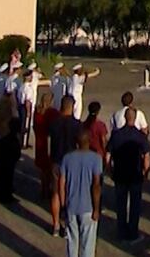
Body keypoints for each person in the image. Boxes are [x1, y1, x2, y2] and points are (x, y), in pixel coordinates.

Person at [106, 107, 150, 244]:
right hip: (135, 174)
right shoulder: (140, 136)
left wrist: (109, 171)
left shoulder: (116, 135)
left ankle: (121, 232)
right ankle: (132, 233)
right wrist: (146, 172)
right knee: (135, 205)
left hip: (120, 173)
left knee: (120, 204)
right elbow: (147, 157)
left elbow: (107, 156)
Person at [60, 128, 103, 257]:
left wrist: (63, 206)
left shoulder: (67, 158)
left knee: (72, 243)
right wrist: (96, 209)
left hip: (71, 206)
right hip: (88, 207)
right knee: (88, 246)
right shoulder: (96, 159)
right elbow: (96, 186)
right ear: (89, 142)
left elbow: (61, 183)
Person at [49, 95, 83, 237]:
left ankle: (56, 224)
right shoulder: (76, 124)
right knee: (70, 193)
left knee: (56, 193)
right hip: (71, 161)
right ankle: (68, 222)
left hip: (57, 159)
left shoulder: (54, 123)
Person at [0, 92, 22, 204]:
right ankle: (6, 194)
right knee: (8, 172)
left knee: (0, 171)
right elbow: (17, 127)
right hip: (8, 147)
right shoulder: (11, 118)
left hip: (0, 146)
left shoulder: (0, 116)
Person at [33, 91, 58, 199]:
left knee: (43, 169)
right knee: (50, 169)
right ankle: (50, 190)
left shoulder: (37, 111)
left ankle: (44, 189)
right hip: (49, 142)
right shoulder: (52, 113)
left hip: (40, 141)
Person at [83, 101, 110, 174]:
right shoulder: (100, 125)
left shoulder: (84, 124)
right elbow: (103, 141)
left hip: (86, 153)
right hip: (98, 154)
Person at [19, 67, 39, 148]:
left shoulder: (22, 86)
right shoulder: (28, 88)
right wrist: (28, 112)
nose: (31, 78)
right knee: (26, 125)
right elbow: (27, 101)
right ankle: (24, 143)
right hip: (26, 107)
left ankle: (23, 142)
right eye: (30, 76)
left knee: (23, 125)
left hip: (21, 106)